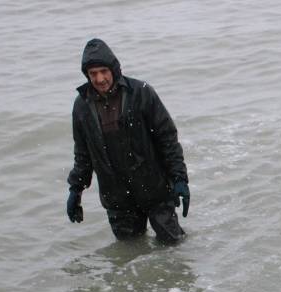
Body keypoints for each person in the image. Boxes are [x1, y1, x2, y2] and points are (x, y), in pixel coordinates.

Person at [66, 38, 190, 243]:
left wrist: (180, 179)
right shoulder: (82, 106)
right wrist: (75, 190)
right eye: (93, 74)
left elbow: (167, 138)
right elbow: (83, 154)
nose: (99, 79)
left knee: (174, 248)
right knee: (129, 258)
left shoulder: (141, 92)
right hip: (117, 199)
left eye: (103, 71)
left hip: (155, 190)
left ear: (114, 69)